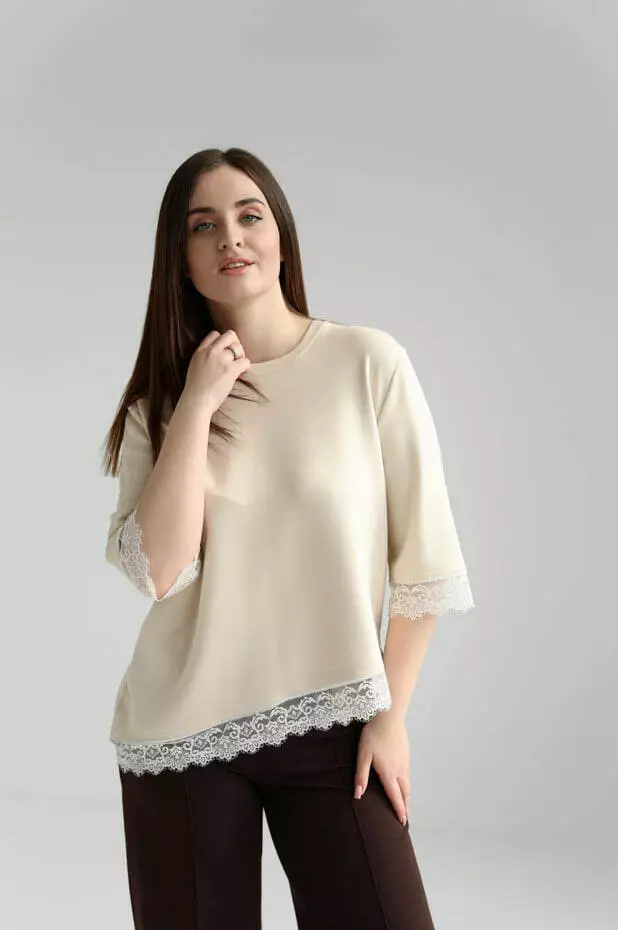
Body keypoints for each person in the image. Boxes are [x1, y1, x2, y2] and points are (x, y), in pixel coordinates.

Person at [101, 146, 475, 930]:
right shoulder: (158, 408)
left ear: (281, 236)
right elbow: (159, 572)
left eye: (249, 215)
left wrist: (390, 718)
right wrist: (197, 404)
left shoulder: (366, 363)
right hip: (183, 735)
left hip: (338, 723)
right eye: (203, 226)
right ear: (181, 261)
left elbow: (425, 564)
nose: (230, 237)